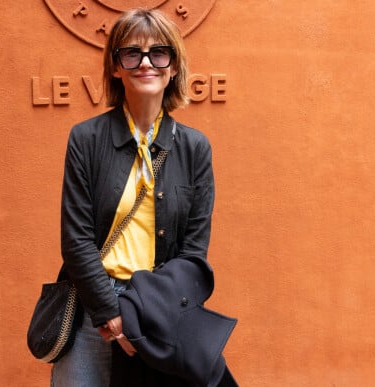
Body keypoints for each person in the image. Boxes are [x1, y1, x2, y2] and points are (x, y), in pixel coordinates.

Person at [52, 8, 237, 387]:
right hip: (93, 305)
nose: (146, 63)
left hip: (158, 310)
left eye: (159, 53)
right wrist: (111, 315)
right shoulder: (86, 140)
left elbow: (193, 252)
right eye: (132, 53)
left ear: (173, 68)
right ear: (116, 67)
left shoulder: (194, 148)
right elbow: (76, 241)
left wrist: (142, 316)